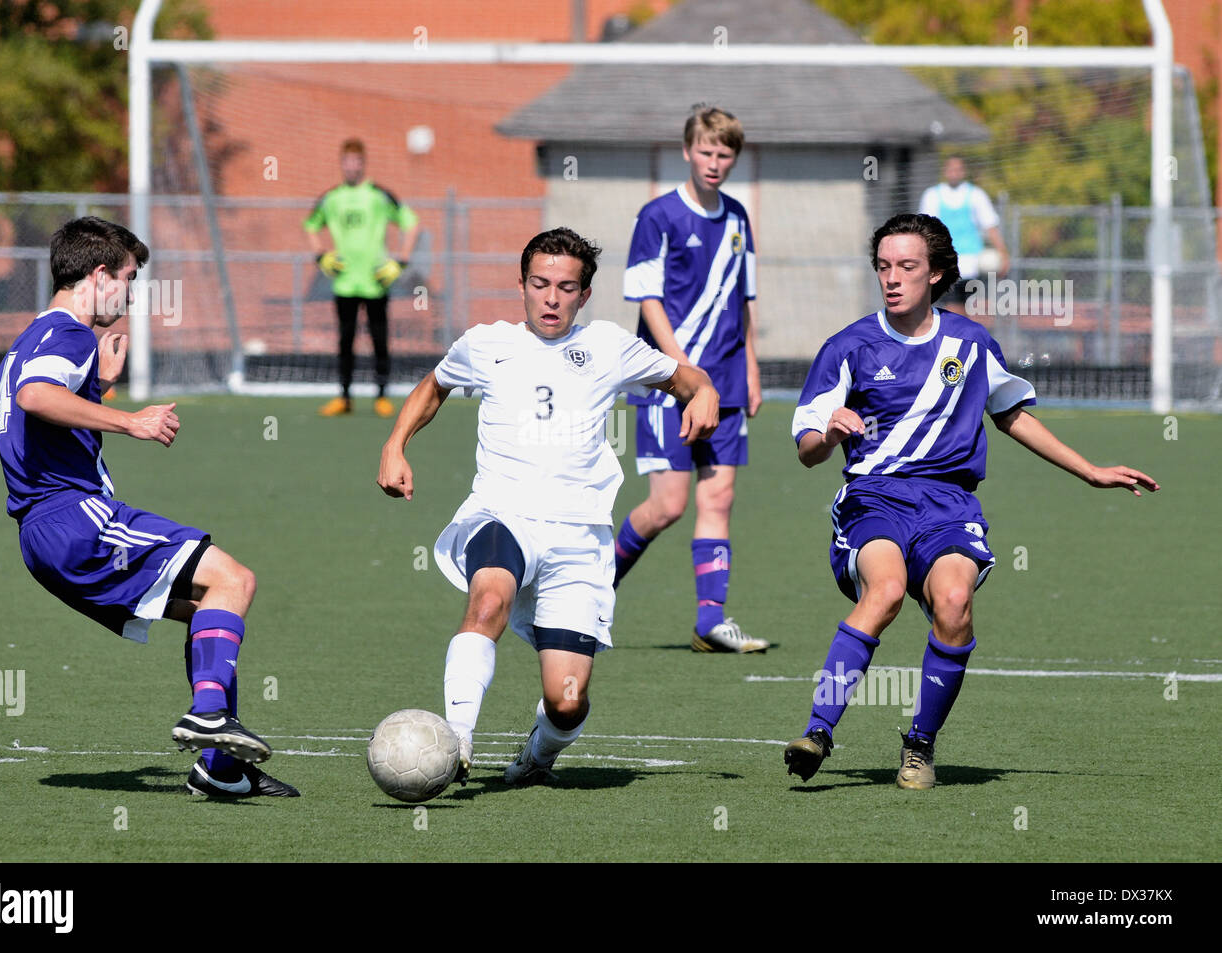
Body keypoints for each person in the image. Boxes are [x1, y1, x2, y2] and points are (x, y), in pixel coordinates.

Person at [785, 212, 1157, 790]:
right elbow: (807, 450)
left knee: (954, 602)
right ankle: (819, 730)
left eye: (907, 266)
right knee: (883, 590)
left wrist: (1090, 472)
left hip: (949, 503)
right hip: (875, 498)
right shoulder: (848, 346)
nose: (892, 277)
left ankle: (919, 746)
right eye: (883, 266)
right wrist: (830, 432)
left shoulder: (971, 343)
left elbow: (1011, 415)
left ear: (935, 273)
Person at [378, 227, 719, 784]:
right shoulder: (486, 344)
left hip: (580, 535)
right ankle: (454, 740)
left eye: (565, 287)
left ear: (584, 295)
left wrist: (703, 393)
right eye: (540, 284)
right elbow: (433, 386)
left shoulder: (608, 347)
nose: (551, 298)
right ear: (522, 285)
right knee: (487, 602)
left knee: (566, 700)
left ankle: (538, 754)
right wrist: (395, 446)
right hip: (500, 512)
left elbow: (685, 378)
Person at [0, 216, 298, 799]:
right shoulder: (69, 333)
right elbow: (36, 396)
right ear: (100, 273)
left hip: (43, 537)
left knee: (211, 605)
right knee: (235, 578)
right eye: (129, 279)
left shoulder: (30, 337)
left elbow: (39, 406)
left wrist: (98, 388)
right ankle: (210, 716)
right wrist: (130, 420)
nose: (131, 295)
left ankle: (221, 769)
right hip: (73, 520)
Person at [612, 105, 768, 654]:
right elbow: (647, 299)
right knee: (667, 506)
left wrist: (749, 368)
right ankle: (591, 591)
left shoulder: (738, 220)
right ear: (687, 151)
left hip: (724, 382)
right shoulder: (657, 216)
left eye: (725, 154)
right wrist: (679, 369)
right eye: (706, 151)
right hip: (668, 383)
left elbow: (744, 302)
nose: (715, 162)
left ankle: (710, 623)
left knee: (719, 498)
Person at [305, 138, 422, 418]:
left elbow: (412, 223)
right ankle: (344, 397)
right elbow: (310, 226)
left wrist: (401, 261)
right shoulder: (332, 198)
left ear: (363, 163)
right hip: (345, 282)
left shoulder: (379, 196)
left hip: (375, 282)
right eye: (347, 162)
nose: (352, 167)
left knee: (380, 340)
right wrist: (321, 255)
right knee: (345, 341)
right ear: (341, 164)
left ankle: (382, 396)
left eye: (357, 161)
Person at [918, 155, 1010, 307]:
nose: (954, 173)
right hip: (945, 264)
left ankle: (967, 331)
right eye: (951, 169)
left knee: (971, 310)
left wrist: (1003, 254)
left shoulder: (976, 195)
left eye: (958, 169)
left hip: (973, 266)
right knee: (952, 308)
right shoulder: (932, 196)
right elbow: (924, 231)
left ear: (963, 171)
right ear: (944, 171)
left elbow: (990, 226)